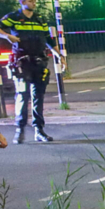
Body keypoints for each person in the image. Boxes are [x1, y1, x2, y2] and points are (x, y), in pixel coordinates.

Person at [0, 0, 60, 144]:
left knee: (38, 96)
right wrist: (7, 36)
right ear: (22, 2)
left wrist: (60, 57)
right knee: (22, 95)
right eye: (31, 0)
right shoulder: (13, 17)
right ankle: (20, 130)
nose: (34, 2)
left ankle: (39, 130)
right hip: (22, 62)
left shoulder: (40, 19)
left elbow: (48, 40)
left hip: (39, 61)